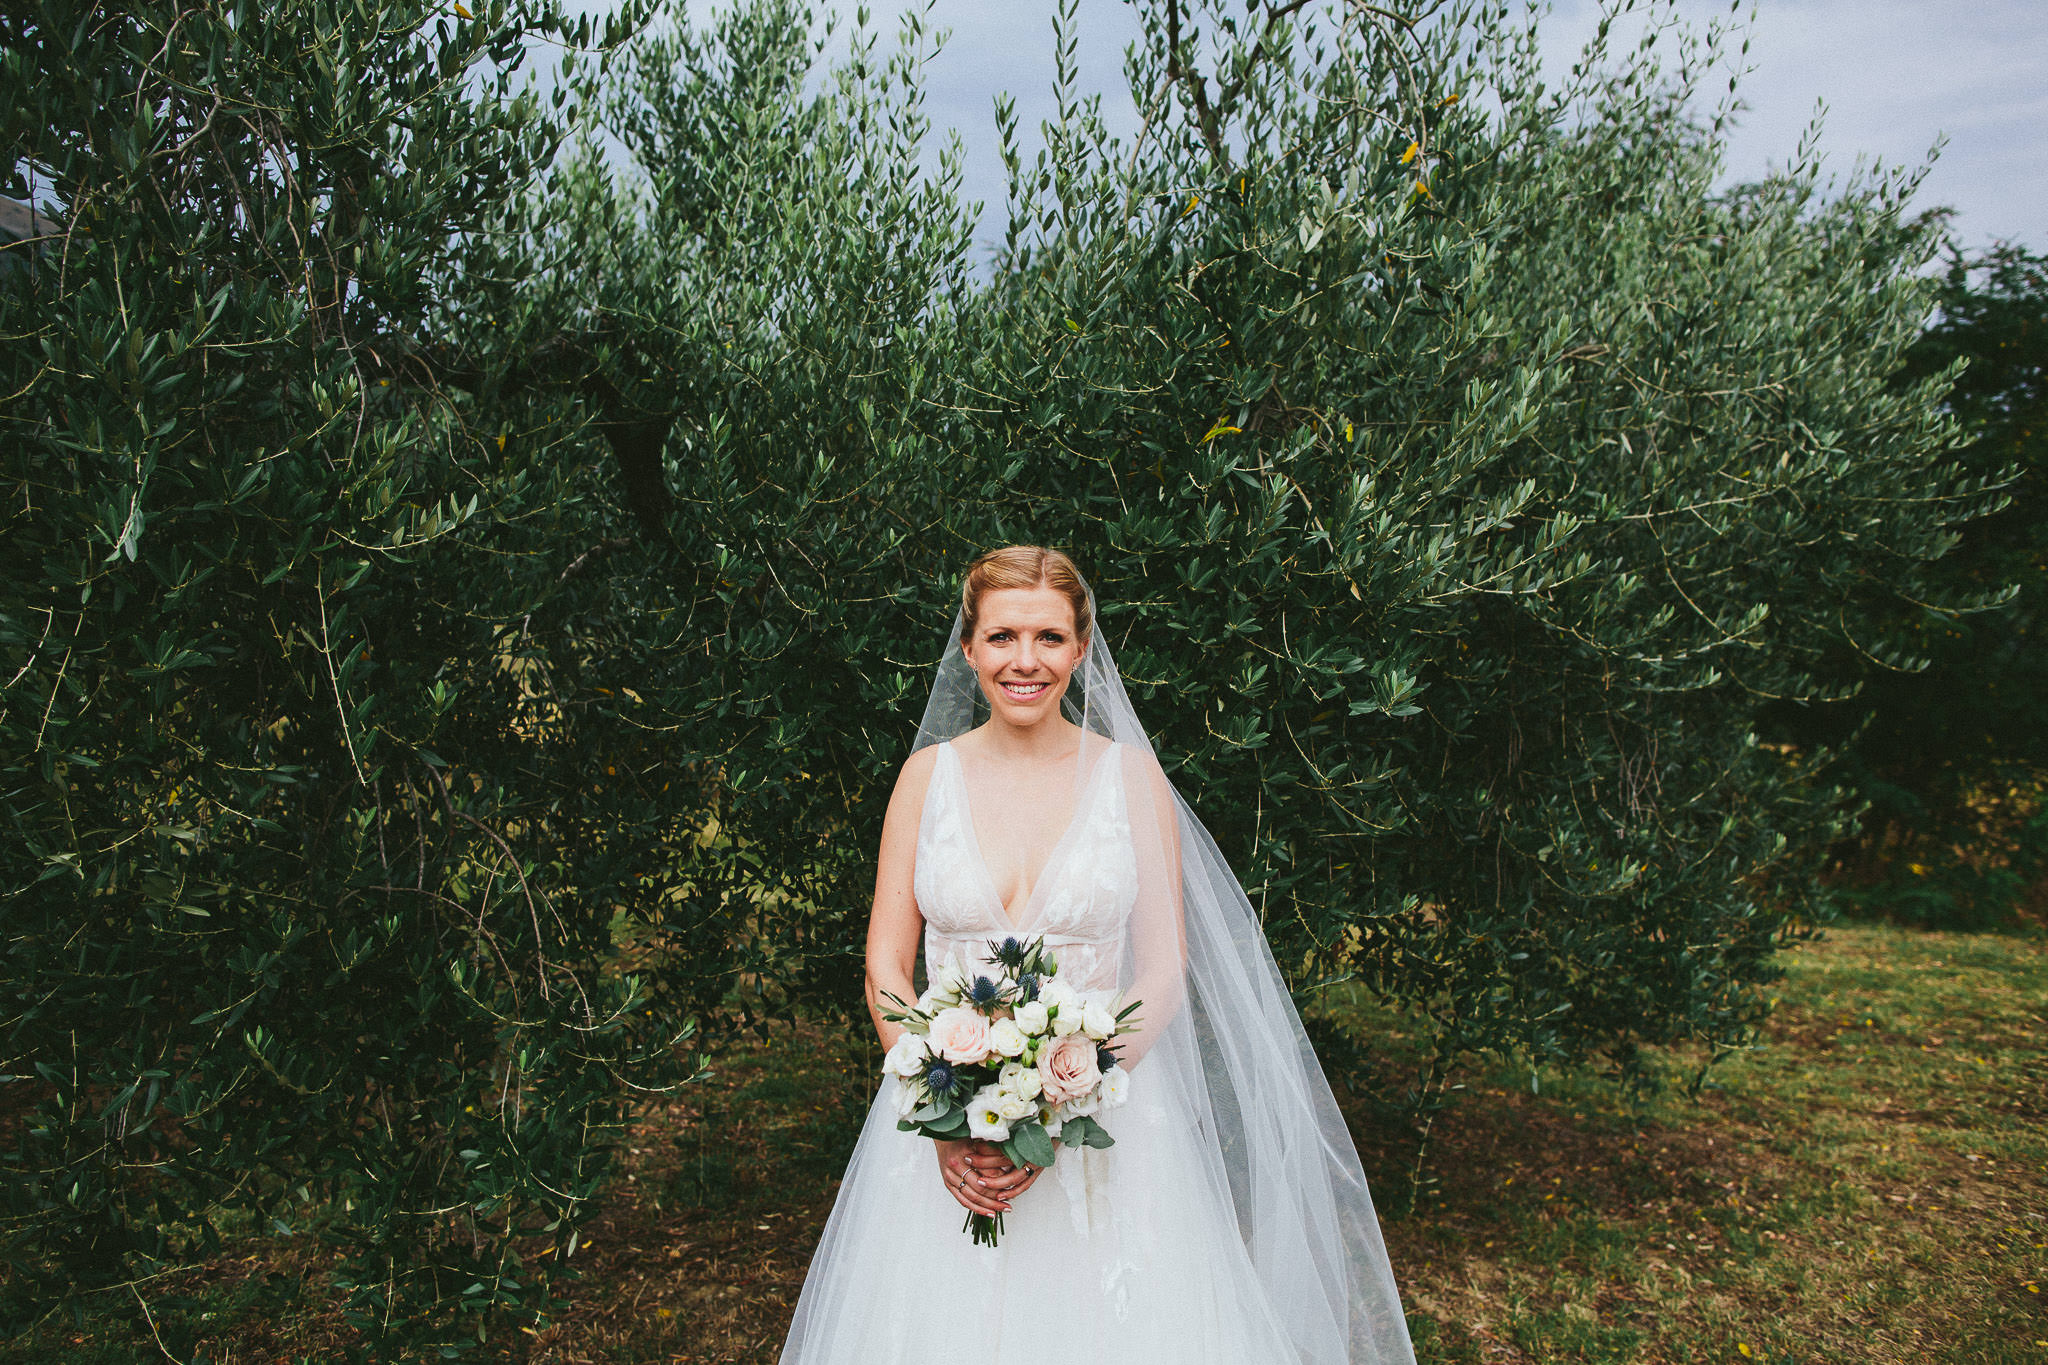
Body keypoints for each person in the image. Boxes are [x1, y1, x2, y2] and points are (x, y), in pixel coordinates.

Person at [777, 545, 1415, 1364]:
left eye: (1049, 636)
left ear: (1081, 648)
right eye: (1002, 636)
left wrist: (1059, 1103)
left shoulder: (1131, 778)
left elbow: (1162, 971)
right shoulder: (925, 778)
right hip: (946, 1134)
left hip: (1110, 1123)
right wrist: (945, 1119)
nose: (1026, 660)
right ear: (968, 647)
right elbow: (886, 971)